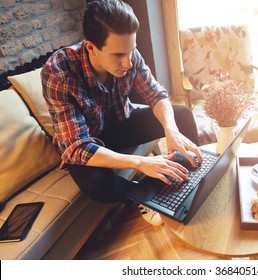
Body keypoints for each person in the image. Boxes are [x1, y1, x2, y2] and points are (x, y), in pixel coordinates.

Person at [41, 0, 202, 226]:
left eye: (131, 51)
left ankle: (193, 178)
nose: (128, 62)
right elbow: (77, 147)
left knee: (182, 115)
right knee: (96, 184)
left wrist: (171, 130)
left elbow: (156, 94)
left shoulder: (129, 55)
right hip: (87, 142)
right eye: (118, 55)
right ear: (90, 47)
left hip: (119, 122)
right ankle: (144, 196)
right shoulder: (58, 72)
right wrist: (140, 163)